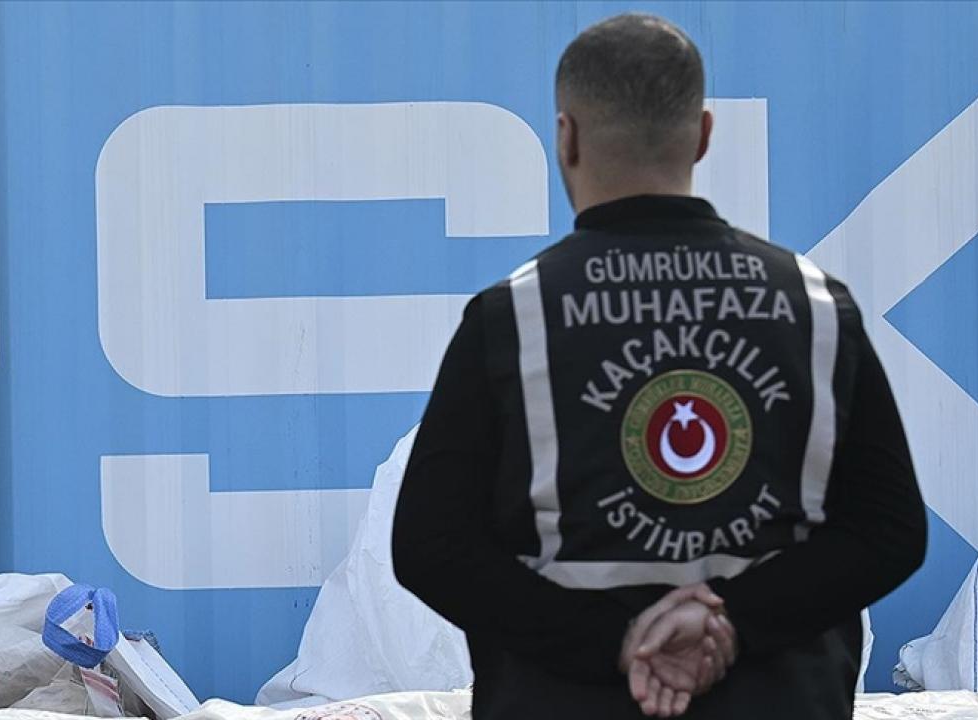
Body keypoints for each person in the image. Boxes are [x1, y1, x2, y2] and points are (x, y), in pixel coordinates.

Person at [391, 12, 927, 720]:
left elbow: (431, 547)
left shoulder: (510, 318)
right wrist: (731, 622)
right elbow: (889, 531)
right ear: (703, 134)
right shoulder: (818, 307)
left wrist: (617, 643)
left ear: (566, 136)